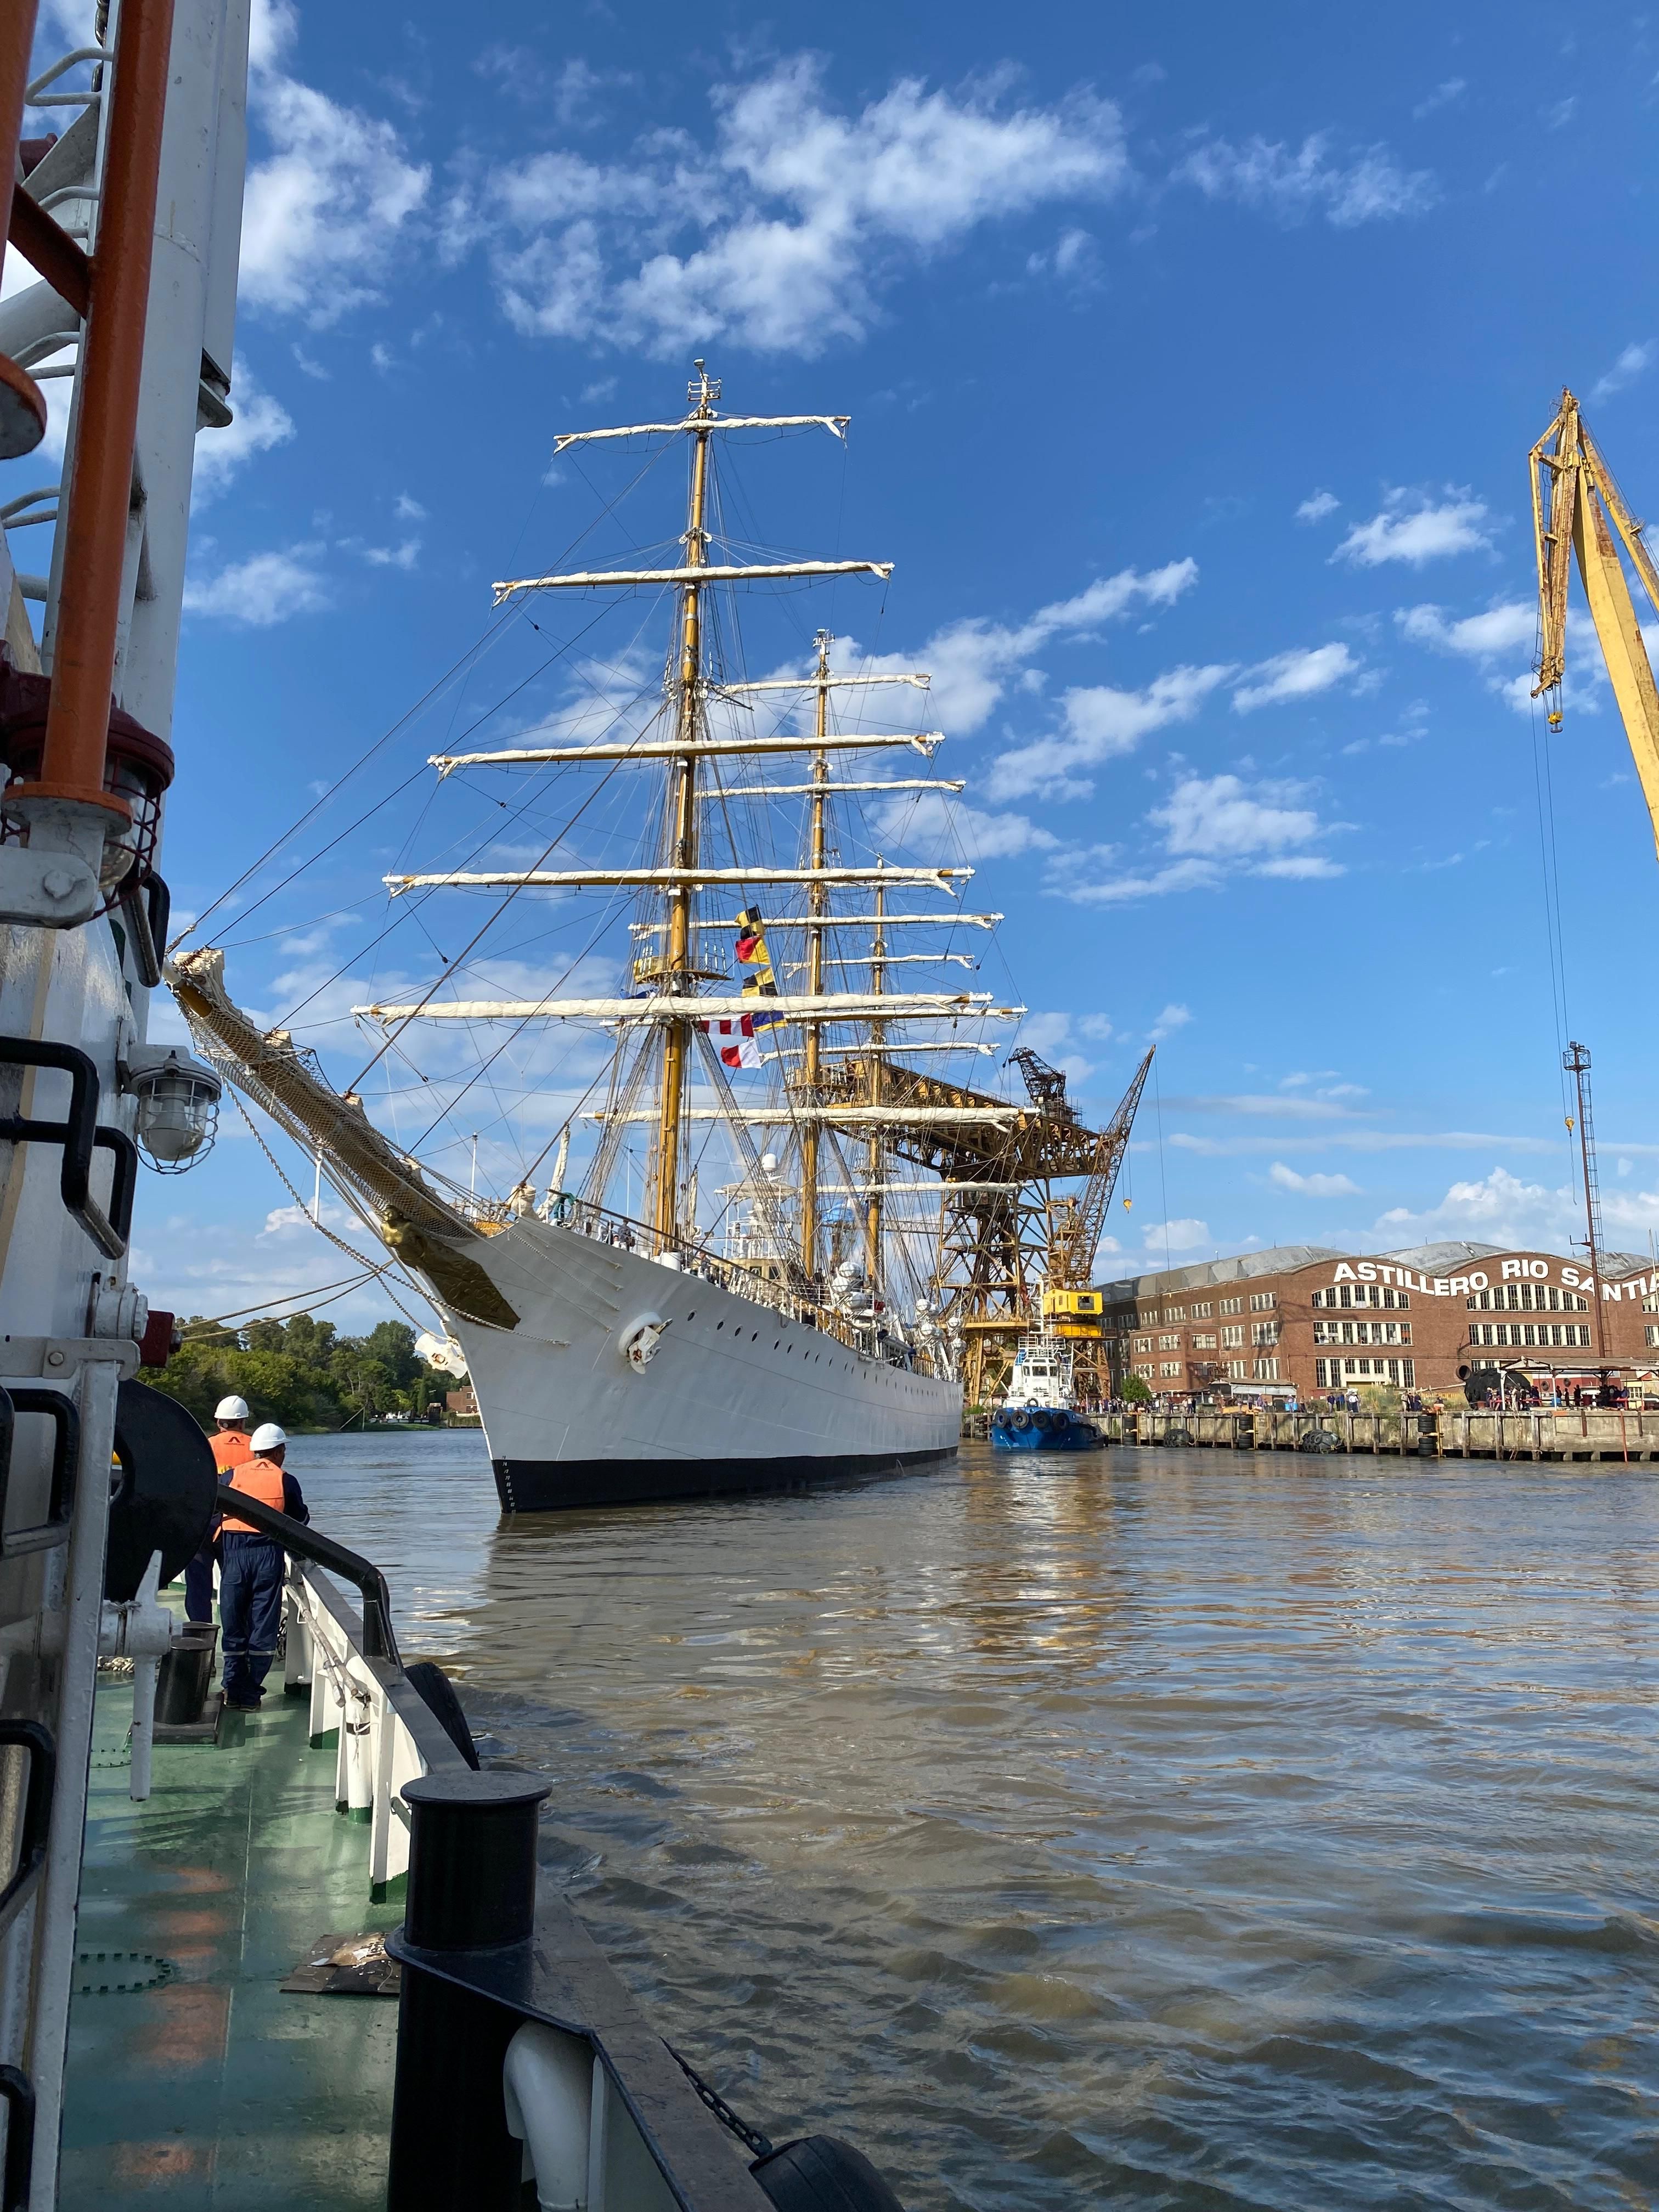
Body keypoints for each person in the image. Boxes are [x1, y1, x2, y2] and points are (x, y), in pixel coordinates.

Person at [218, 1423, 308, 1712]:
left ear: (255, 1451)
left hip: (234, 1555)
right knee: (263, 1624)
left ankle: (231, 1689)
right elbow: (300, 1520)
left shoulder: (231, 1476)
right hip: (267, 1554)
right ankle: (250, 1694)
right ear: (279, 1451)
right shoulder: (286, 1480)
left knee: (233, 1622)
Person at [185, 1395, 253, 1624]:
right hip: (239, 1525)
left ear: (218, 1422)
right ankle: (236, 1632)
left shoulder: (205, 1445)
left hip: (203, 1521)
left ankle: (200, 1632)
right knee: (236, 1584)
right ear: (242, 1422)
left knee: (198, 1585)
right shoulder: (255, 1448)